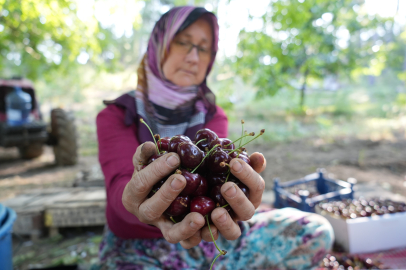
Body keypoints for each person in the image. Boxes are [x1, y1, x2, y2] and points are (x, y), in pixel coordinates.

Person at [92, 6, 334, 270]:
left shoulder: (212, 114)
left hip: (210, 242)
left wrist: (234, 202)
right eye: (182, 42)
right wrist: (134, 202)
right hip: (140, 246)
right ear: (158, 46)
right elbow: (120, 188)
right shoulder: (117, 115)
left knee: (315, 230)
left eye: (204, 49)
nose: (193, 57)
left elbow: (212, 180)